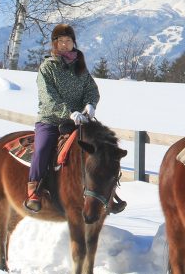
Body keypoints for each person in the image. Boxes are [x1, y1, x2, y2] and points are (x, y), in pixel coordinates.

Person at [26, 23, 125, 214]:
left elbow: (91, 88)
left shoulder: (80, 66)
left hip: (79, 121)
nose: (65, 44)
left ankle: (109, 194)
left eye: (68, 41)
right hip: (51, 120)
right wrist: (69, 112)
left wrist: (90, 104)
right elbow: (48, 97)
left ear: (74, 43)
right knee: (43, 147)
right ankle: (34, 189)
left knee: (102, 149)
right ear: (54, 44)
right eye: (61, 41)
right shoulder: (47, 68)